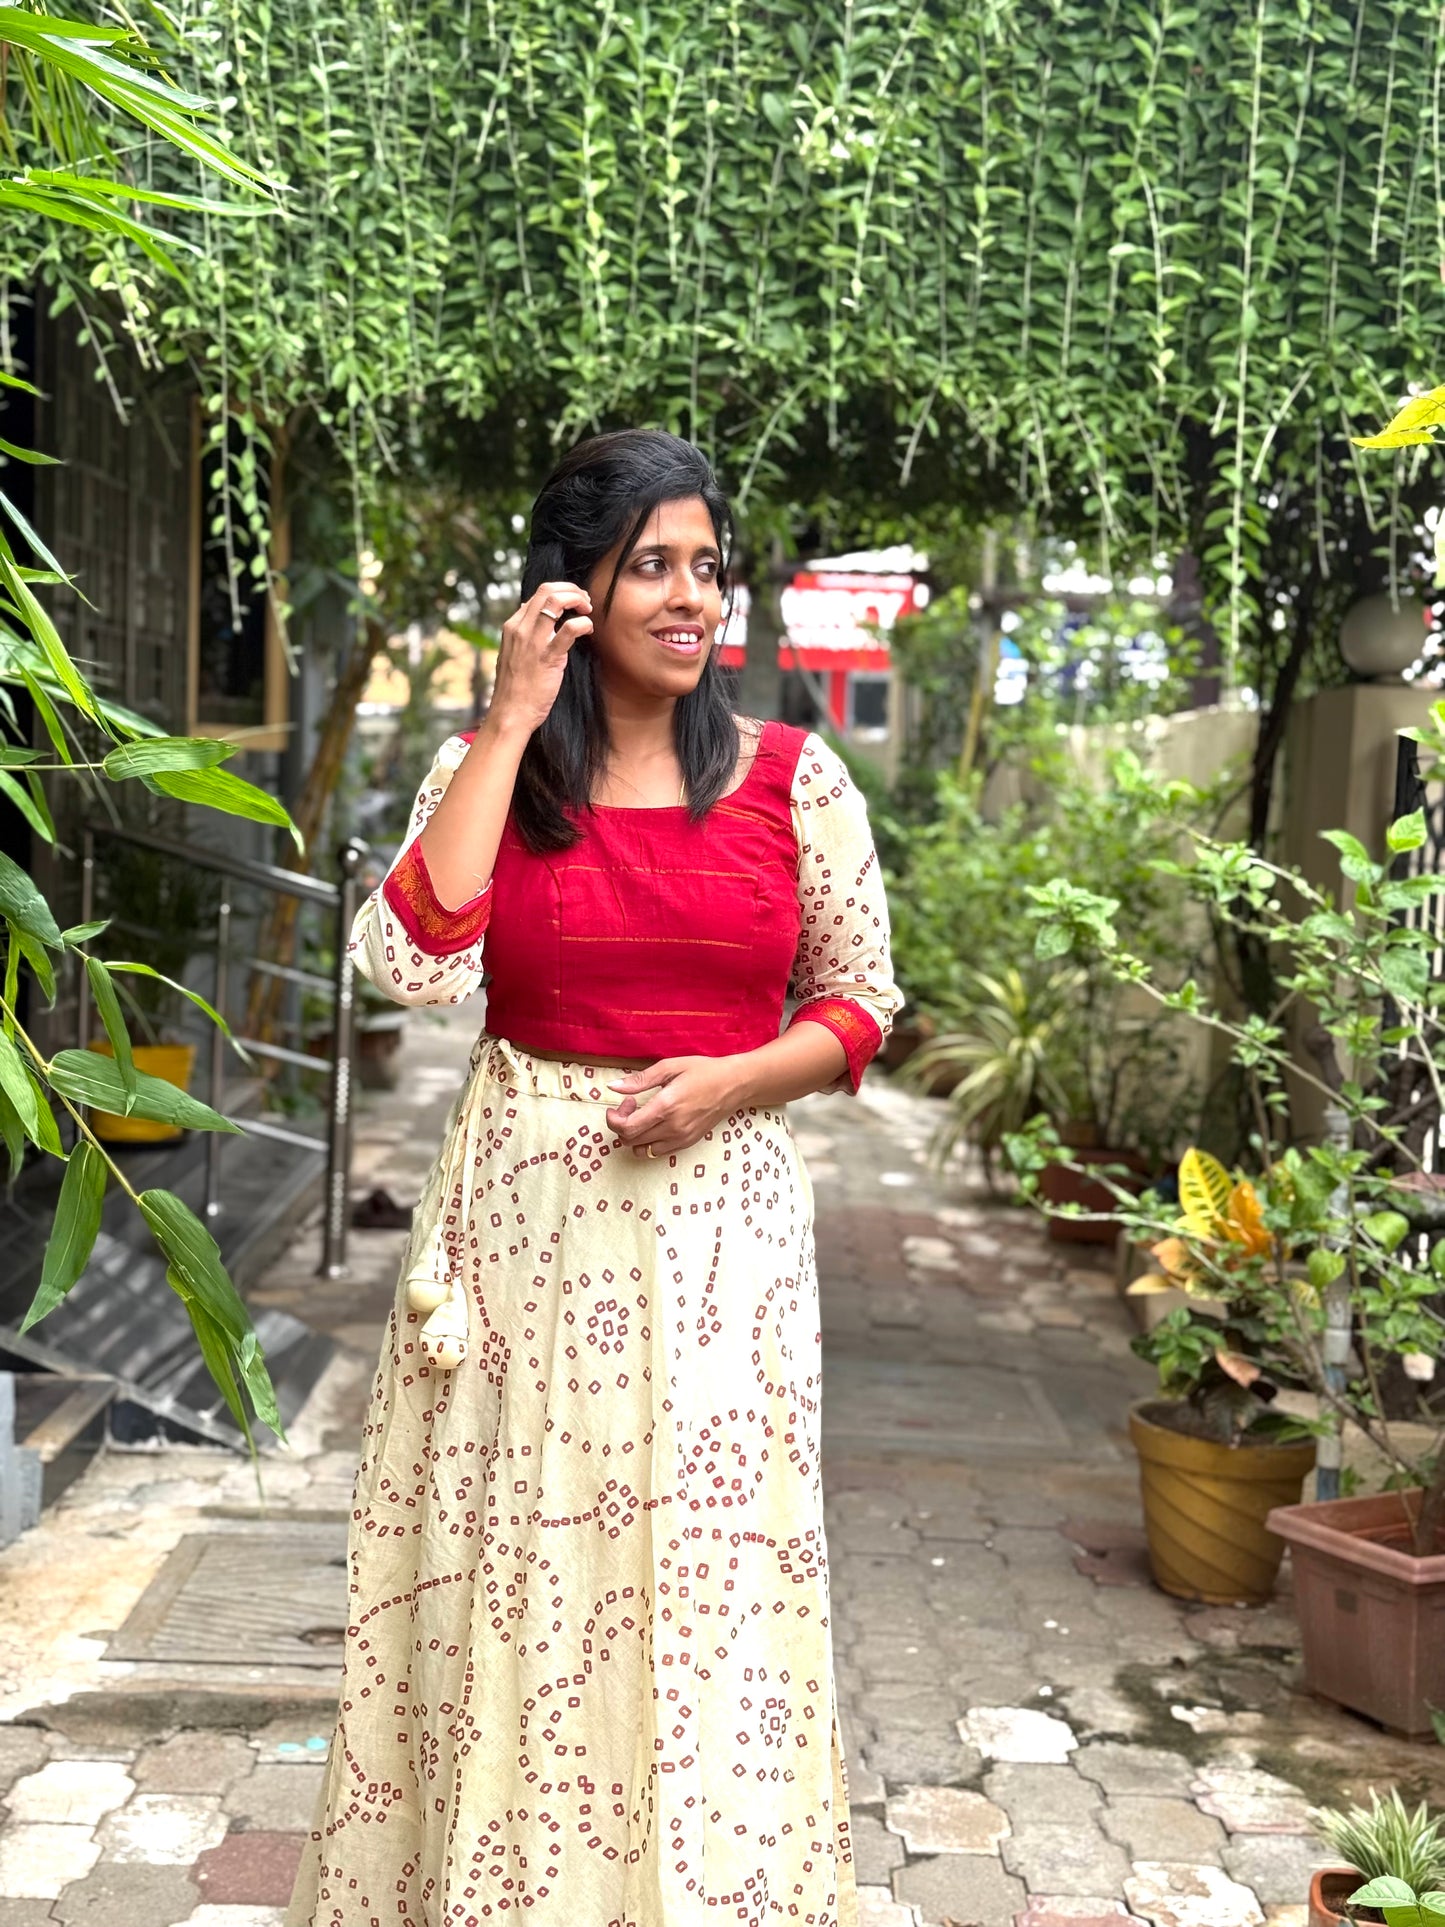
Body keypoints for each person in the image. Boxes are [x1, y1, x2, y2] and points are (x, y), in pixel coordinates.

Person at [287, 429, 900, 1927]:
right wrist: (505, 719)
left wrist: (736, 1080)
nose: (695, 599)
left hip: (719, 1242)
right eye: (654, 568)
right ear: (573, 589)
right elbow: (409, 965)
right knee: (509, 1576)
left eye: (710, 568)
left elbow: (863, 998)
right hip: (519, 1223)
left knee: (696, 1585)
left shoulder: (790, 778)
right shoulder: (491, 771)